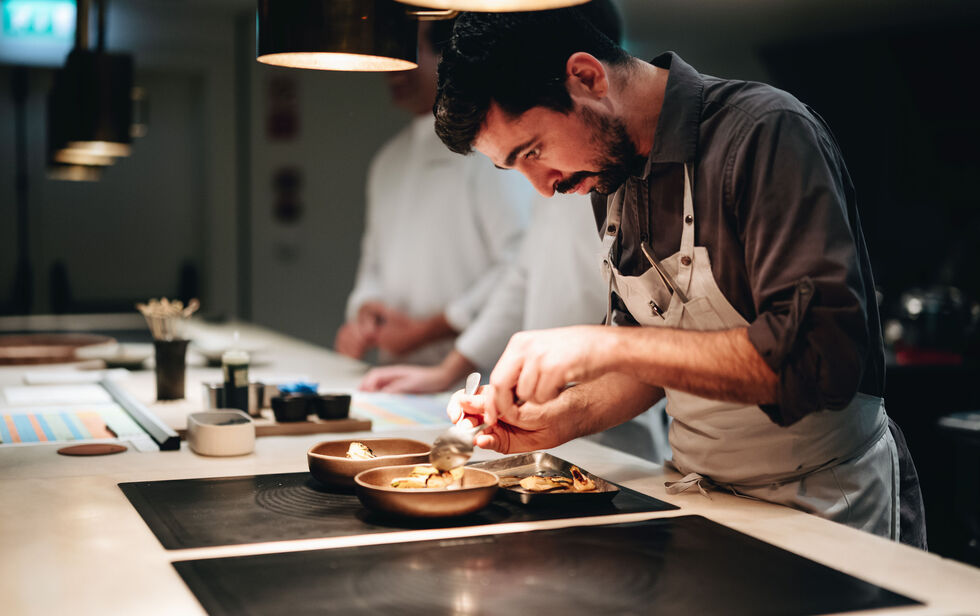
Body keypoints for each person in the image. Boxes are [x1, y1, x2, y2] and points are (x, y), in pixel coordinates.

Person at [434, 8, 926, 547]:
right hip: (704, 499)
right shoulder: (610, 174)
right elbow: (654, 368)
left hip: (830, 505)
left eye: (534, 151)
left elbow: (817, 360)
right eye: (517, 167)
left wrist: (602, 346)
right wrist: (557, 419)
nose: (543, 187)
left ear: (587, 77)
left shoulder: (764, 133)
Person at [334, 20, 531, 368]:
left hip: (475, 374)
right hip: (393, 376)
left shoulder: (490, 153)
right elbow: (373, 265)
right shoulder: (388, 159)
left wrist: (435, 327)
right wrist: (365, 310)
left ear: (448, 56)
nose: (393, 65)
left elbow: (519, 261)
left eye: (408, 49)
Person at [358, 192, 607, 393]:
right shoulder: (548, 191)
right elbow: (520, 280)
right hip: (547, 393)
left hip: (612, 401)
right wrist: (447, 372)